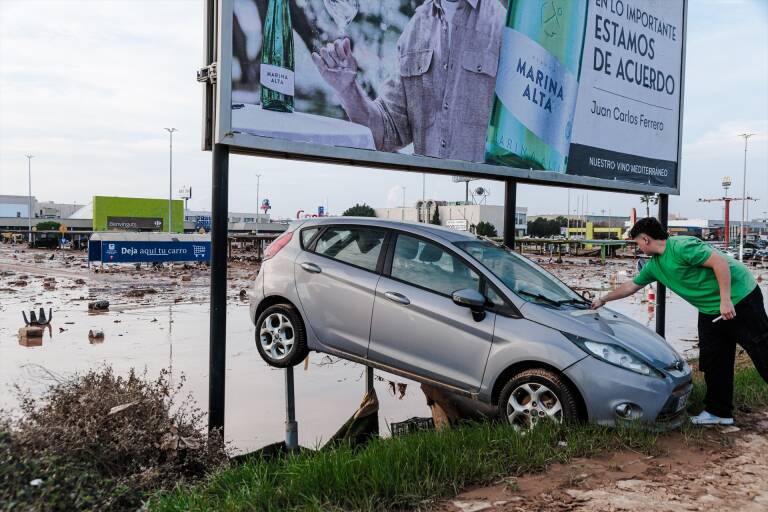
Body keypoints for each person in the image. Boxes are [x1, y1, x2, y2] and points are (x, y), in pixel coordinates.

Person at [591, 217, 768, 425]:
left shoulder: (682, 247)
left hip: (740, 297)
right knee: (714, 360)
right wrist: (602, 299)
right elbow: (631, 286)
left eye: (637, 242)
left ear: (645, 239)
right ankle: (719, 413)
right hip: (710, 309)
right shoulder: (654, 266)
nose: (637, 246)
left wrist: (726, 300)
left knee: (762, 351)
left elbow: (719, 263)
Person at [311, 0, 504, 162]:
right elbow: (385, 132)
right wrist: (347, 90)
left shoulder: (504, 22)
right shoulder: (416, 28)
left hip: (491, 192)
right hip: (430, 192)